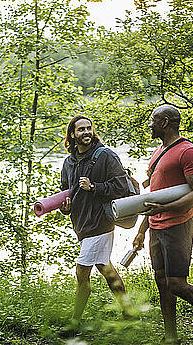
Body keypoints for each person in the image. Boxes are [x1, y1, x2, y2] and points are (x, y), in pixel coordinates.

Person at [132, 105, 193, 345]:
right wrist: (142, 229)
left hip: (178, 225)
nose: (150, 124)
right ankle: (170, 337)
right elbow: (156, 195)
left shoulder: (188, 152)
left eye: (153, 120)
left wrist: (165, 209)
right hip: (156, 225)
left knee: (176, 283)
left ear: (165, 123)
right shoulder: (159, 151)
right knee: (162, 282)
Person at [59, 115, 135, 331]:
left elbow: (121, 187)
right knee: (106, 268)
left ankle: (74, 322)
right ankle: (129, 310)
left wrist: (95, 187)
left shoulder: (106, 156)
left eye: (89, 128)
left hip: (101, 223)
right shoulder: (69, 162)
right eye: (80, 129)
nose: (86, 132)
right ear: (72, 134)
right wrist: (66, 208)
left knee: (82, 273)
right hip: (82, 225)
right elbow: (67, 194)